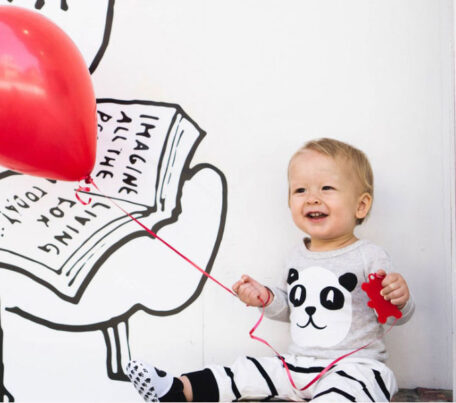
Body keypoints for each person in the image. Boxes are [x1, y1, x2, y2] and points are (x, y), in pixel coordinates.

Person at [124, 137, 414, 402]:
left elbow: (394, 316)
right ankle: (177, 389)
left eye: (326, 188)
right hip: (298, 366)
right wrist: (264, 297)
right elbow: (290, 308)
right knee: (246, 370)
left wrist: (400, 298)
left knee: (346, 392)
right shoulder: (297, 256)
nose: (312, 198)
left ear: (361, 206)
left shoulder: (369, 257)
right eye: (300, 190)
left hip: (355, 368)